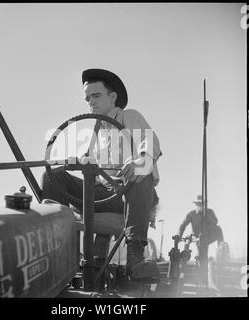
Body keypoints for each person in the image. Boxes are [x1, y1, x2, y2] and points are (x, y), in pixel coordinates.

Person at [41, 68, 162, 280]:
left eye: (96, 96)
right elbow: (92, 171)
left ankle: (135, 256)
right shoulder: (96, 133)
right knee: (53, 176)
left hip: (132, 194)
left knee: (139, 173)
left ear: (112, 97)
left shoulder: (129, 116)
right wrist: (78, 163)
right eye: (87, 98)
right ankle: (57, 249)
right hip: (105, 194)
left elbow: (150, 142)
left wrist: (141, 160)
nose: (90, 102)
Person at [177, 195, 227, 260]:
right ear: (196, 205)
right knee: (202, 257)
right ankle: (193, 261)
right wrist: (179, 235)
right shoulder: (191, 214)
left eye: (201, 204)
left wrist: (206, 214)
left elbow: (215, 222)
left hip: (208, 236)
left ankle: (221, 253)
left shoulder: (210, 212)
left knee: (218, 229)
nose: (200, 206)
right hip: (198, 237)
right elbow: (183, 225)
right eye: (198, 204)